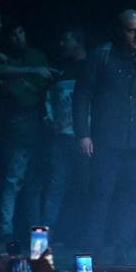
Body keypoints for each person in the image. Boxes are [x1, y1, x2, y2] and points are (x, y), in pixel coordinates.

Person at [74, 10, 136, 263]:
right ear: (120, 31)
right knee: (100, 196)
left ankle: (122, 251)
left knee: (131, 199)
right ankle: (92, 251)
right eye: (131, 30)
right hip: (106, 142)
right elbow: (81, 96)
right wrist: (83, 133)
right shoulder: (101, 58)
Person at [0, 23, 55, 242]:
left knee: (36, 183)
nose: (17, 38)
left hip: (39, 127)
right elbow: (10, 90)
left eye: (20, 32)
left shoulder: (37, 56)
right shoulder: (4, 59)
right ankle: (6, 232)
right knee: (13, 180)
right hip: (17, 124)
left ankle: (37, 233)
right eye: (13, 34)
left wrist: (29, 85)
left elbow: (45, 86)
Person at [45, 27, 89, 240]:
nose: (62, 44)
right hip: (61, 137)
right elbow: (49, 99)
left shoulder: (91, 68)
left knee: (83, 187)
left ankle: (81, 232)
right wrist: (50, 119)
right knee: (56, 185)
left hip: (85, 139)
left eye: (66, 38)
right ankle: (49, 234)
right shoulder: (60, 71)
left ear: (78, 41)